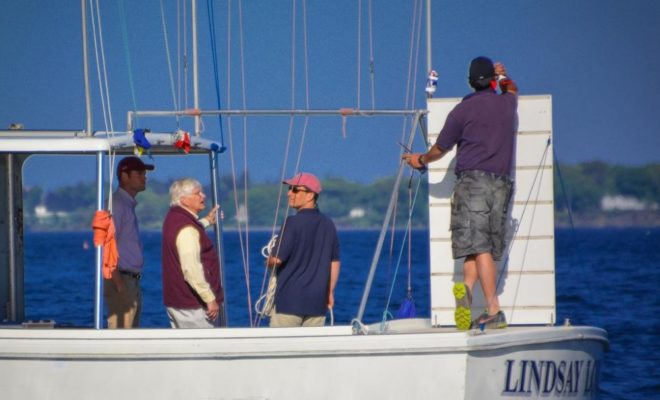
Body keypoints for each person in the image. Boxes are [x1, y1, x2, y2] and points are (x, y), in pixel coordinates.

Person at [403, 56, 518, 330]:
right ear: (491, 81)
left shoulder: (462, 111)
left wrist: (420, 160)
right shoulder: (507, 103)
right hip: (501, 185)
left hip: (473, 184)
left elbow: (440, 149)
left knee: (480, 247)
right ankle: (466, 288)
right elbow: (513, 88)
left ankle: (493, 309)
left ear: (469, 82)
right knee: (475, 248)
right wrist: (503, 76)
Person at [266, 172, 340, 327]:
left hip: (289, 302)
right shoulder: (329, 224)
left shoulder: (292, 223)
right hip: (317, 303)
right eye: (290, 189)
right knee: (310, 350)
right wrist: (330, 292)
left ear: (310, 196)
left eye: (295, 189)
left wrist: (269, 261)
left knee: (282, 349)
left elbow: (277, 259)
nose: (289, 193)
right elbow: (334, 262)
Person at [161, 178, 223, 328]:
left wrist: (207, 221)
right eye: (197, 193)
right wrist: (209, 298)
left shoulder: (174, 218)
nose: (203, 196)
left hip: (178, 302)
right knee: (205, 349)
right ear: (184, 200)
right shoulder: (187, 228)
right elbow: (191, 269)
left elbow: (188, 234)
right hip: (193, 307)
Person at [104, 156, 154, 329]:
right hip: (122, 279)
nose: (144, 177)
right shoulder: (117, 205)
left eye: (144, 173)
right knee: (121, 336)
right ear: (124, 176)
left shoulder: (125, 204)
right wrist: (119, 284)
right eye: (139, 173)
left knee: (130, 335)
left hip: (129, 280)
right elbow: (106, 243)